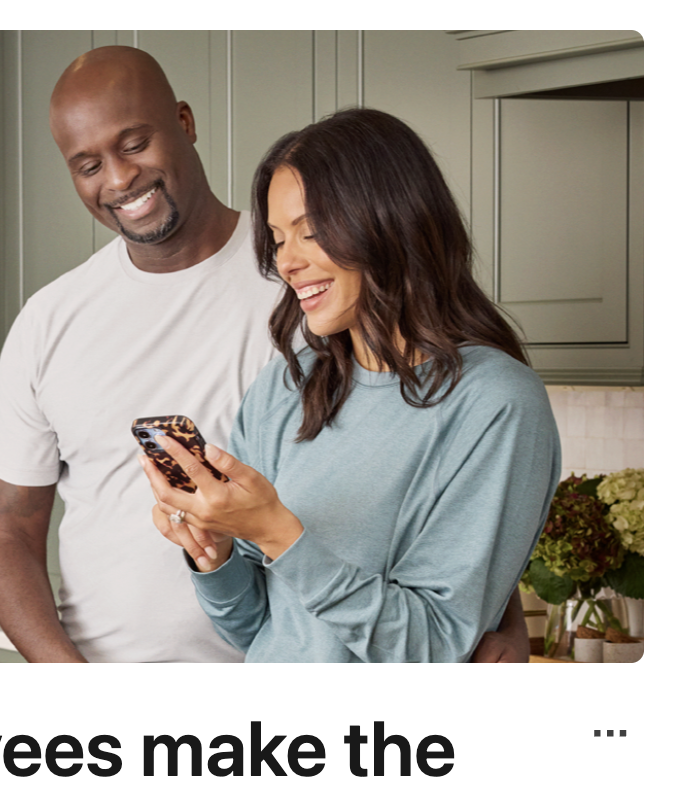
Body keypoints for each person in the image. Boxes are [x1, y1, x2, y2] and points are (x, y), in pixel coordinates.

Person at [0, 47, 528, 664]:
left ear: (184, 123)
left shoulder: (314, 297)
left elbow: (436, 508)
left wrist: (494, 605)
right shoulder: (54, 321)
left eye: (134, 144)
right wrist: (209, 559)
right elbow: (8, 531)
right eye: (87, 164)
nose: (117, 178)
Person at [144, 108, 559, 663]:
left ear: (390, 222)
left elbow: (432, 648)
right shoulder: (290, 385)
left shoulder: (495, 405)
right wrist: (215, 557)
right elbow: (259, 633)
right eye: (277, 239)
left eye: (310, 232)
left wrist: (280, 537)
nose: (286, 262)